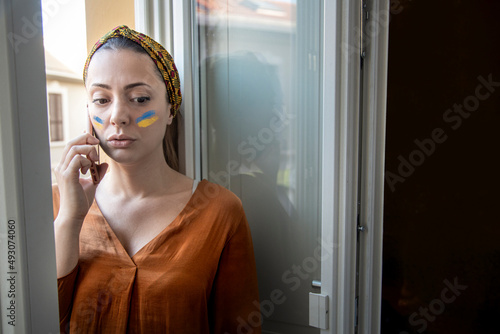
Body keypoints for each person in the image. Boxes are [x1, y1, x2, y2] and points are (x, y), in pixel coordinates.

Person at [52, 25, 261, 333]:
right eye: (101, 99)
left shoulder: (220, 212)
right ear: (88, 111)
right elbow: (34, 317)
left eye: (139, 98)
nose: (118, 116)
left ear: (170, 109)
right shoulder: (59, 203)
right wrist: (69, 219)